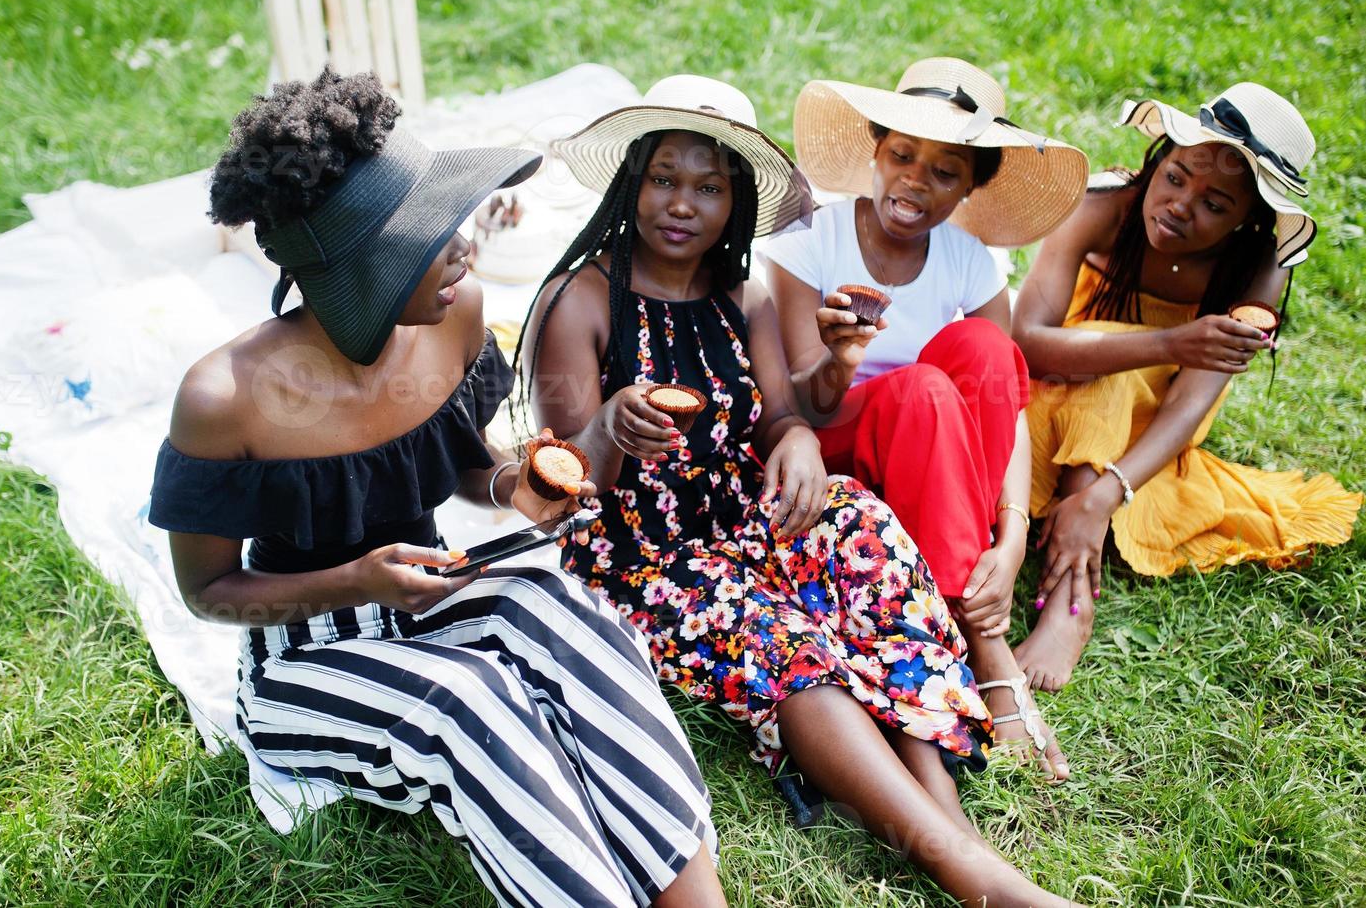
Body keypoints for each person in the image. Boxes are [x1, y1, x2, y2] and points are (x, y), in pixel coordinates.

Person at [147, 68, 725, 908]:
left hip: (426, 589)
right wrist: (356, 580)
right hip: (303, 650)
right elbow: (209, 594)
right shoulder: (223, 400)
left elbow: (463, 463)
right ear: (354, 264)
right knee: (473, 701)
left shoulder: (455, 313)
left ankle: (691, 894)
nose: (464, 247)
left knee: (566, 610)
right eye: (431, 234)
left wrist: (516, 485)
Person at [523, 74, 1080, 908]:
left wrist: (795, 447)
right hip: (645, 555)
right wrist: (606, 426)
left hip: (745, 515)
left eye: (708, 186)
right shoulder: (584, 300)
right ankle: (960, 865)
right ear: (629, 183)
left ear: (736, 200)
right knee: (792, 646)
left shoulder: (738, 296)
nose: (681, 204)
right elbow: (562, 487)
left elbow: (783, 416)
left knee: (866, 542)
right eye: (662, 179)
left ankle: (944, 806)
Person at [760, 58, 1088, 772]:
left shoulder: (969, 261)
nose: (914, 181)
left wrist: (1012, 534)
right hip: (834, 453)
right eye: (901, 155)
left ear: (970, 187)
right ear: (874, 150)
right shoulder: (806, 242)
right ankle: (982, 646)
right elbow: (794, 406)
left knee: (981, 348)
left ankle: (959, 584)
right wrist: (842, 356)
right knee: (919, 390)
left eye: (944, 172)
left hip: (939, 473)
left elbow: (1006, 402)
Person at [1011, 82, 1362, 690]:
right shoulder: (1103, 206)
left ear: (1250, 221)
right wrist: (1171, 342)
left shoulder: (1258, 270)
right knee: (1102, 382)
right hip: (1058, 391)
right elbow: (1027, 342)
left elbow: (1190, 406)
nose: (1179, 205)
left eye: (1215, 204)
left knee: (1114, 391)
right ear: (1158, 159)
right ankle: (1075, 571)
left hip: (1150, 437)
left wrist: (1101, 498)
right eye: (1175, 177)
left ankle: (1071, 603)